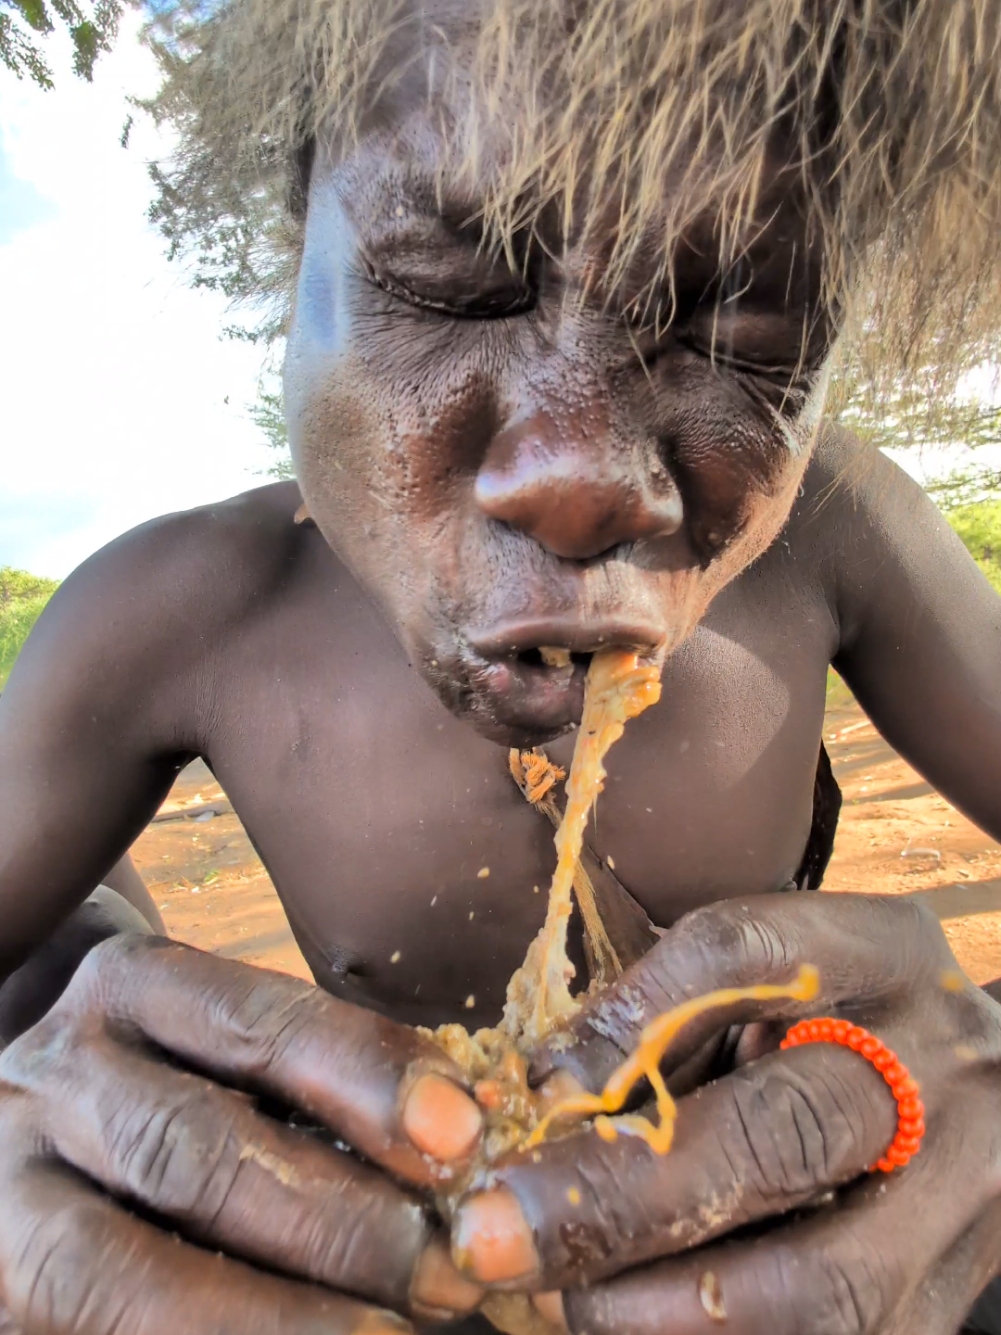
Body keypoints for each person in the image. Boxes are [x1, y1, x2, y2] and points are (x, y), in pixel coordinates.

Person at [2, 1, 1001, 1332]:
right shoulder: (175, 616)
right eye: (448, 286)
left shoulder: (839, 533)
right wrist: (49, 1048)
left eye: (742, 335)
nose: (579, 479)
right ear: (291, 255)